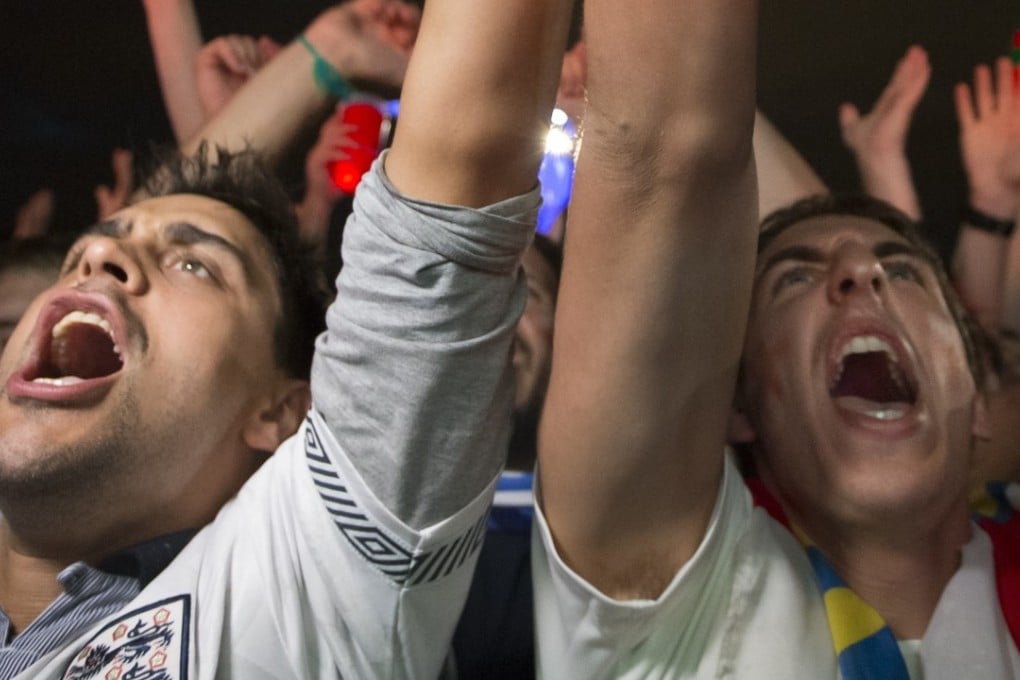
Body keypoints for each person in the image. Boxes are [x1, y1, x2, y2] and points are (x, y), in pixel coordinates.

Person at [0, 0, 573, 677]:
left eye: (196, 265)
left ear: (283, 412)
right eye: (83, 255)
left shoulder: (293, 598)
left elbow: (454, 187)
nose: (99, 262)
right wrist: (327, 51)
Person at [533, 1, 1020, 678]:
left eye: (902, 270)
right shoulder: (680, 601)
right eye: (793, 281)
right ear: (737, 409)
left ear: (978, 401)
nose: (860, 273)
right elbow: (670, 154)